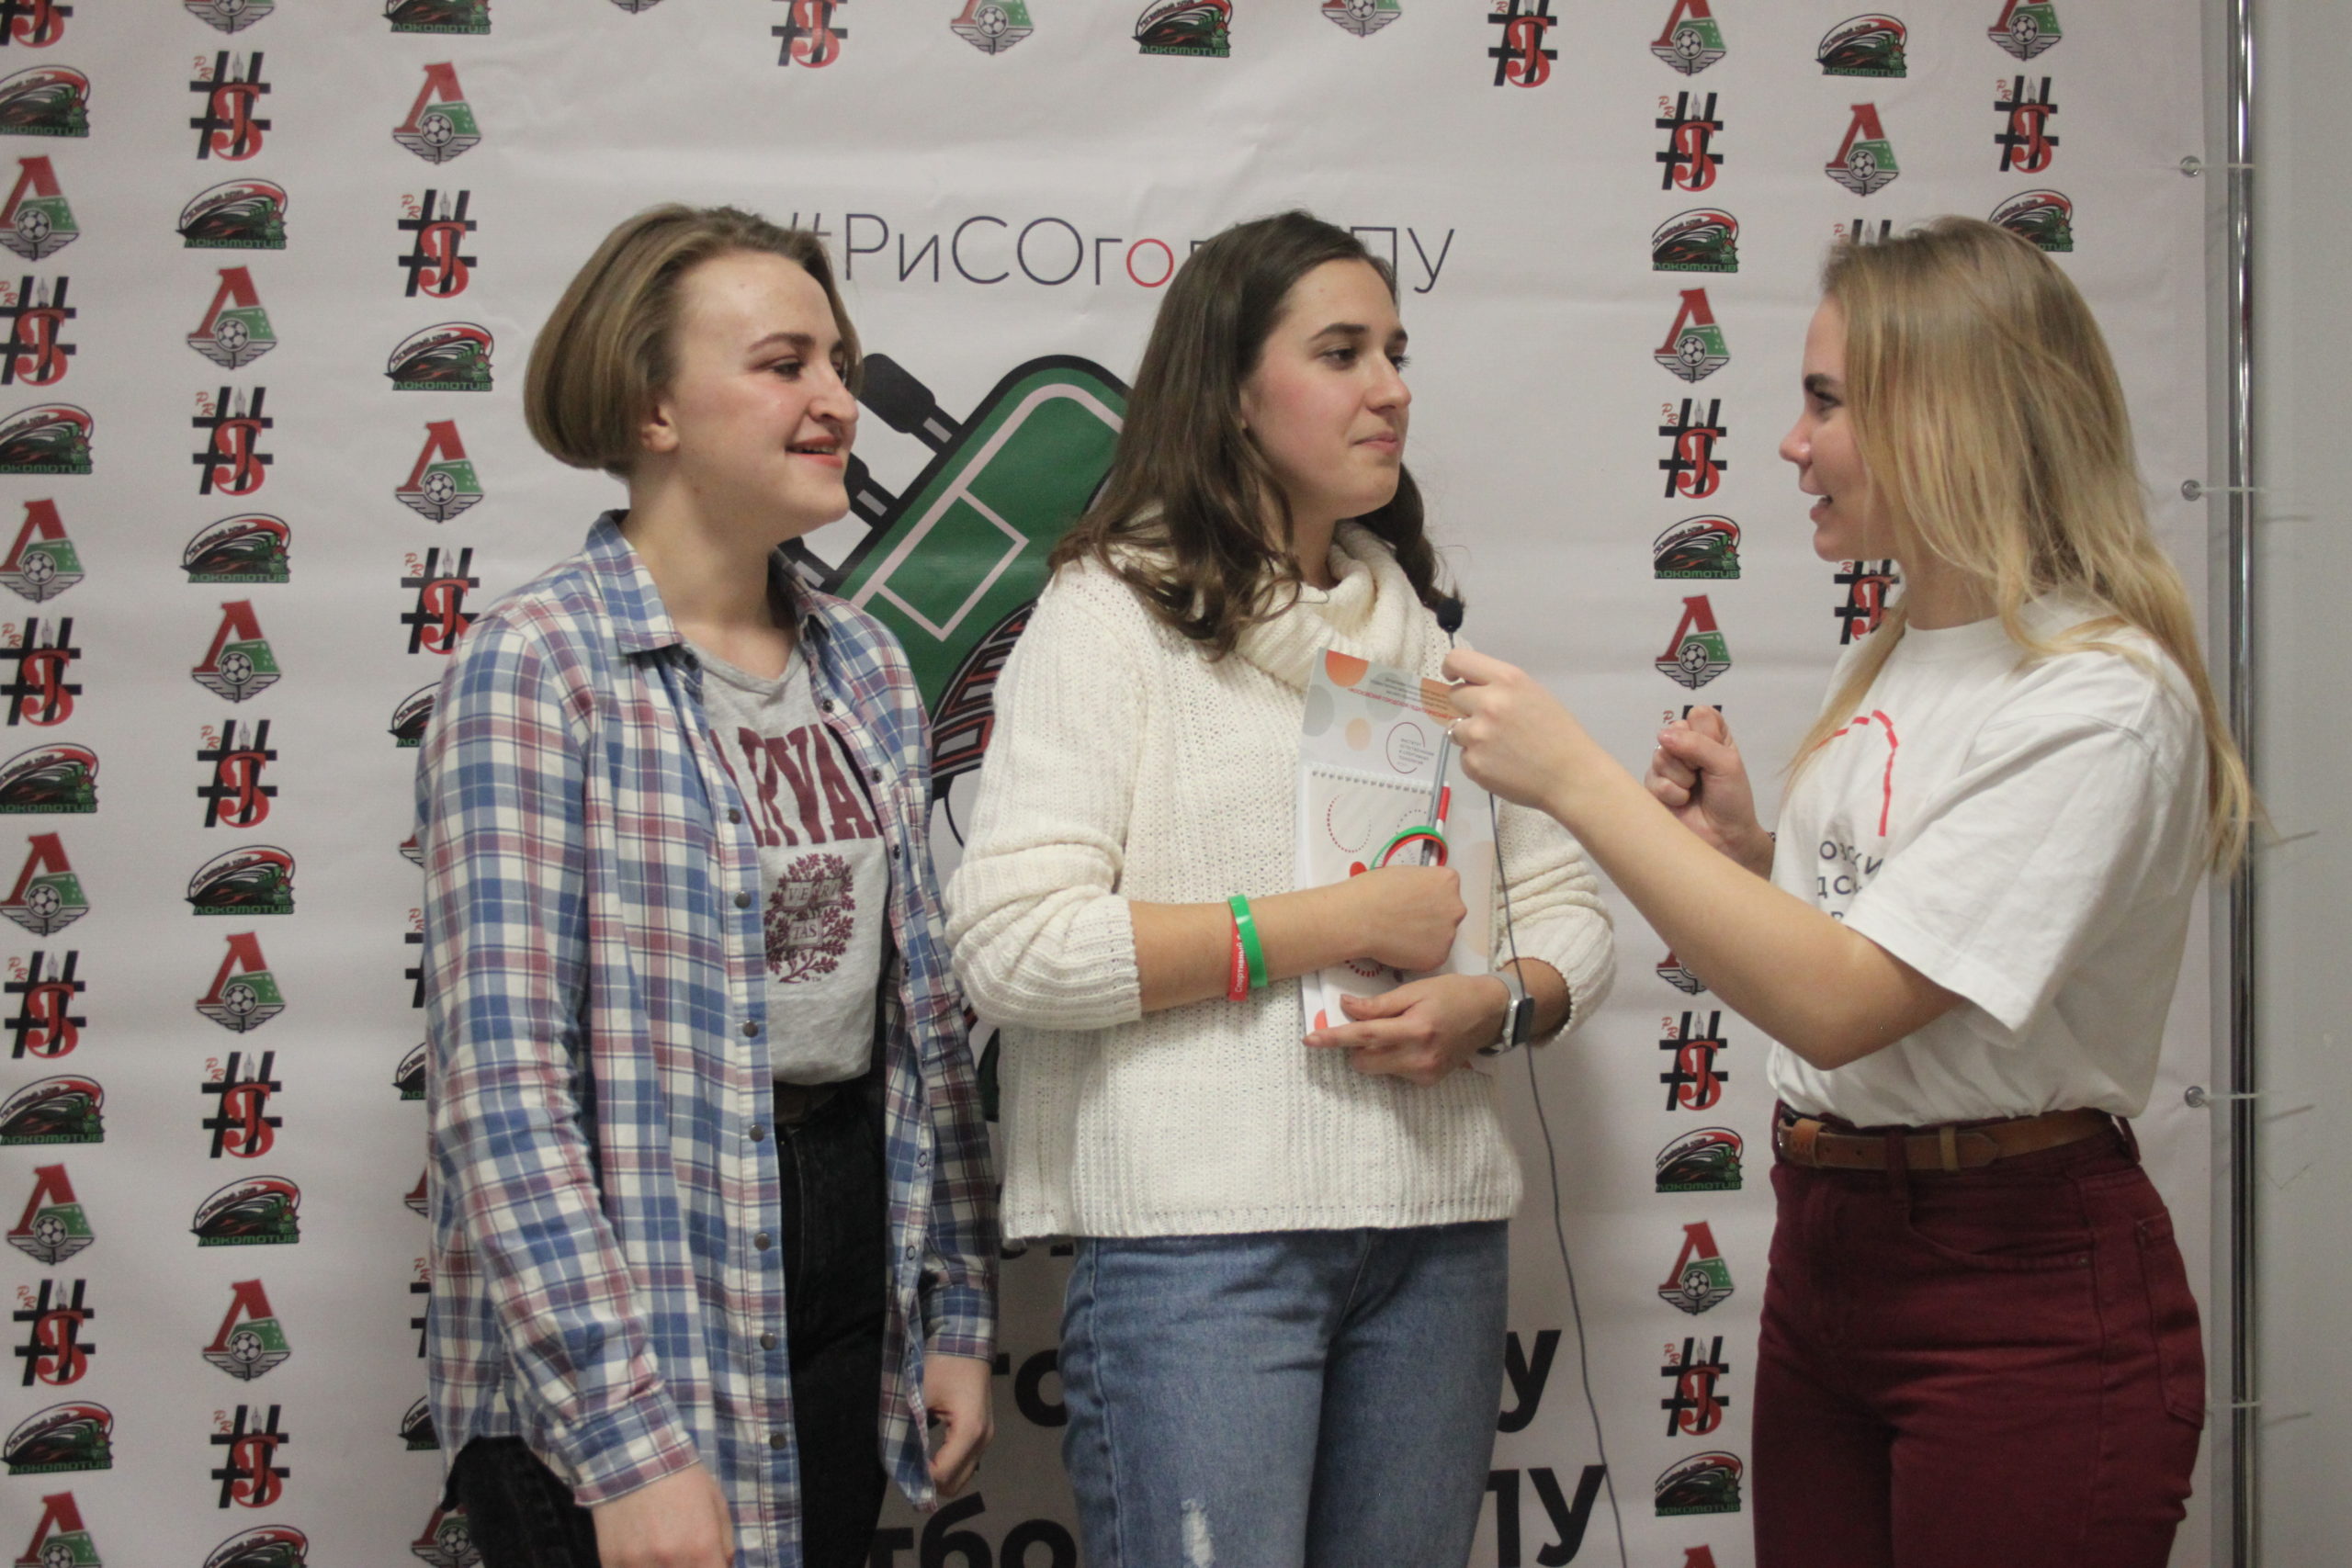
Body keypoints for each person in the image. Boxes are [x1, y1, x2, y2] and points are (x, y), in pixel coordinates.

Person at [1442, 217, 2247, 1568]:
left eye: (1825, 401)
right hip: (1835, 1252)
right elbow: (1903, 937)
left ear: (1945, 417)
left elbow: (1843, 1003)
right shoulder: (1897, 648)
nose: (1790, 442)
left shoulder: (2100, 698)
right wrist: (1753, 863)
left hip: (2017, 1284)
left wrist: (1573, 780)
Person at [944, 210, 1616, 1568]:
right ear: (1233, 394)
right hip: (1202, 1252)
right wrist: (1330, 927)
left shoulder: (1420, 637)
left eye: (1397, 352)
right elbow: (1013, 946)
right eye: (1342, 353)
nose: (1392, 388)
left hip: (1437, 1242)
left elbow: (1569, 916)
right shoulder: (1110, 615)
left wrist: (1498, 1004)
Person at [417, 205, 998, 1568]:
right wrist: (624, 1444)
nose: (836, 399)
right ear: (653, 408)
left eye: (839, 363)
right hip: (634, 1278)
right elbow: (502, 1090)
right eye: (786, 364)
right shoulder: (537, 667)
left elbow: (919, 1032)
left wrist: (954, 1307)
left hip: (844, 1237)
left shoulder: (864, 663)